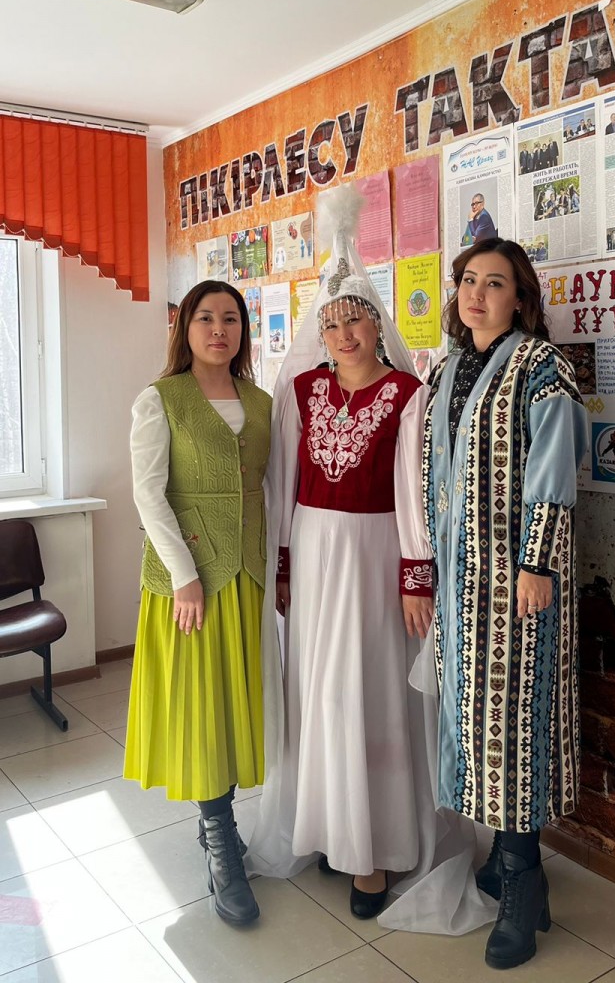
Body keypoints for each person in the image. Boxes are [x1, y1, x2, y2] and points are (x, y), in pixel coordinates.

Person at [247, 185, 494, 935]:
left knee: (369, 692)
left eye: (354, 318)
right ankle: (328, 825)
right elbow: (283, 483)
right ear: (318, 332)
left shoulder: (406, 393)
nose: (343, 332)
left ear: (375, 322)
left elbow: (417, 494)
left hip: (376, 554)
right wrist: (282, 565)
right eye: (331, 322)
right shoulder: (299, 391)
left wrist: (416, 577)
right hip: (313, 557)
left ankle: (374, 848)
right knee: (318, 693)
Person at [423, 237, 588, 970]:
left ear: (520, 298)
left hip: (519, 579)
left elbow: (554, 468)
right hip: (460, 583)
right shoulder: (447, 369)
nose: (476, 294)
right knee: (476, 723)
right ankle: (503, 860)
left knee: (517, 726)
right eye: (467, 280)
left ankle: (522, 880)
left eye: (494, 283)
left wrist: (537, 561)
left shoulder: (542, 366)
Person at [124, 280, 271, 927]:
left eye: (231, 318)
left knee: (235, 703)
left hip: (247, 575)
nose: (219, 329)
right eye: (206, 318)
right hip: (191, 583)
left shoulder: (261, 402)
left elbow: (269, 487)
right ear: (184, 329)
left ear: (243, 330)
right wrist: (184, 576)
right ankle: (219, 840)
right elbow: (148, 494)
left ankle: (221, 819)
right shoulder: (160, 400)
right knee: (203, 705)